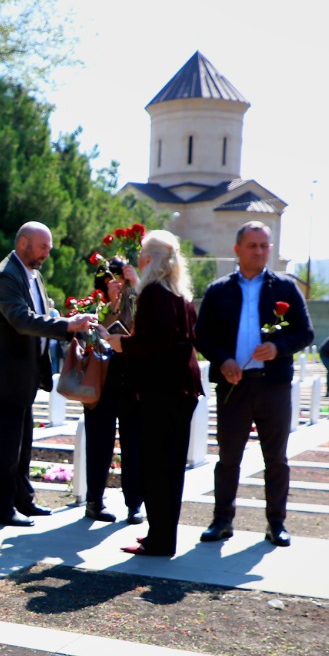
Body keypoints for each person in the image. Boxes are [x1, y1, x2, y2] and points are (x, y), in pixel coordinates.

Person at [195, 221, 313, 547]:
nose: (259, 251)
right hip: (233, 386)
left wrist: (278, 348)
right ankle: (222, 520)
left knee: (276, 459)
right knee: (228, 458)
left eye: (264, 245)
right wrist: (223, 359)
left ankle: (276, 524)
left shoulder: (285, 287)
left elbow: (305, 332)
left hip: (273, 386)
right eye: (252, 245)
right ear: (237, 249)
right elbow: (202, 335)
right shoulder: (219, 290)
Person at [0, 222, 97, 526]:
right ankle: (1, 508)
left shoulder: (33, 274)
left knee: (23, 444)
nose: (47, 253)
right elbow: (22, 320)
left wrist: (71, 326)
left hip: (25, 375)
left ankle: (23, 500)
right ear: (23, 244)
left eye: (49, 247)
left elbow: (42, 316)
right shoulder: (5, 276)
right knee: (8, 449)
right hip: (6, 376)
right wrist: (67, 326)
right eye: (43, 247)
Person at [111, 230, 202, 556]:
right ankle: (162, 534)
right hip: (183, 389)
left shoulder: (153, 293)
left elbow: (154, 345)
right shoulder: (181, 295)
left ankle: (160, 540)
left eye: (141, 255)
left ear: (149, 259)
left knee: (155, 465)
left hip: (162, 390)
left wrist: (121, 344)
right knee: (171, 467)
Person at [82, 261, 144, 524]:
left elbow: (149, 330)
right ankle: (94, 501)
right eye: (112, 278)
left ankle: (135, 503)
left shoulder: (141, 300)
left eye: (122, 277)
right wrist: (111, 305)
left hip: (132, 382)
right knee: (99, 443)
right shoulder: (95, 304)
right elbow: (88, 337)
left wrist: (137, 288)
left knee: (134, 444)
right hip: (101, 380)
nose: (118, 283)